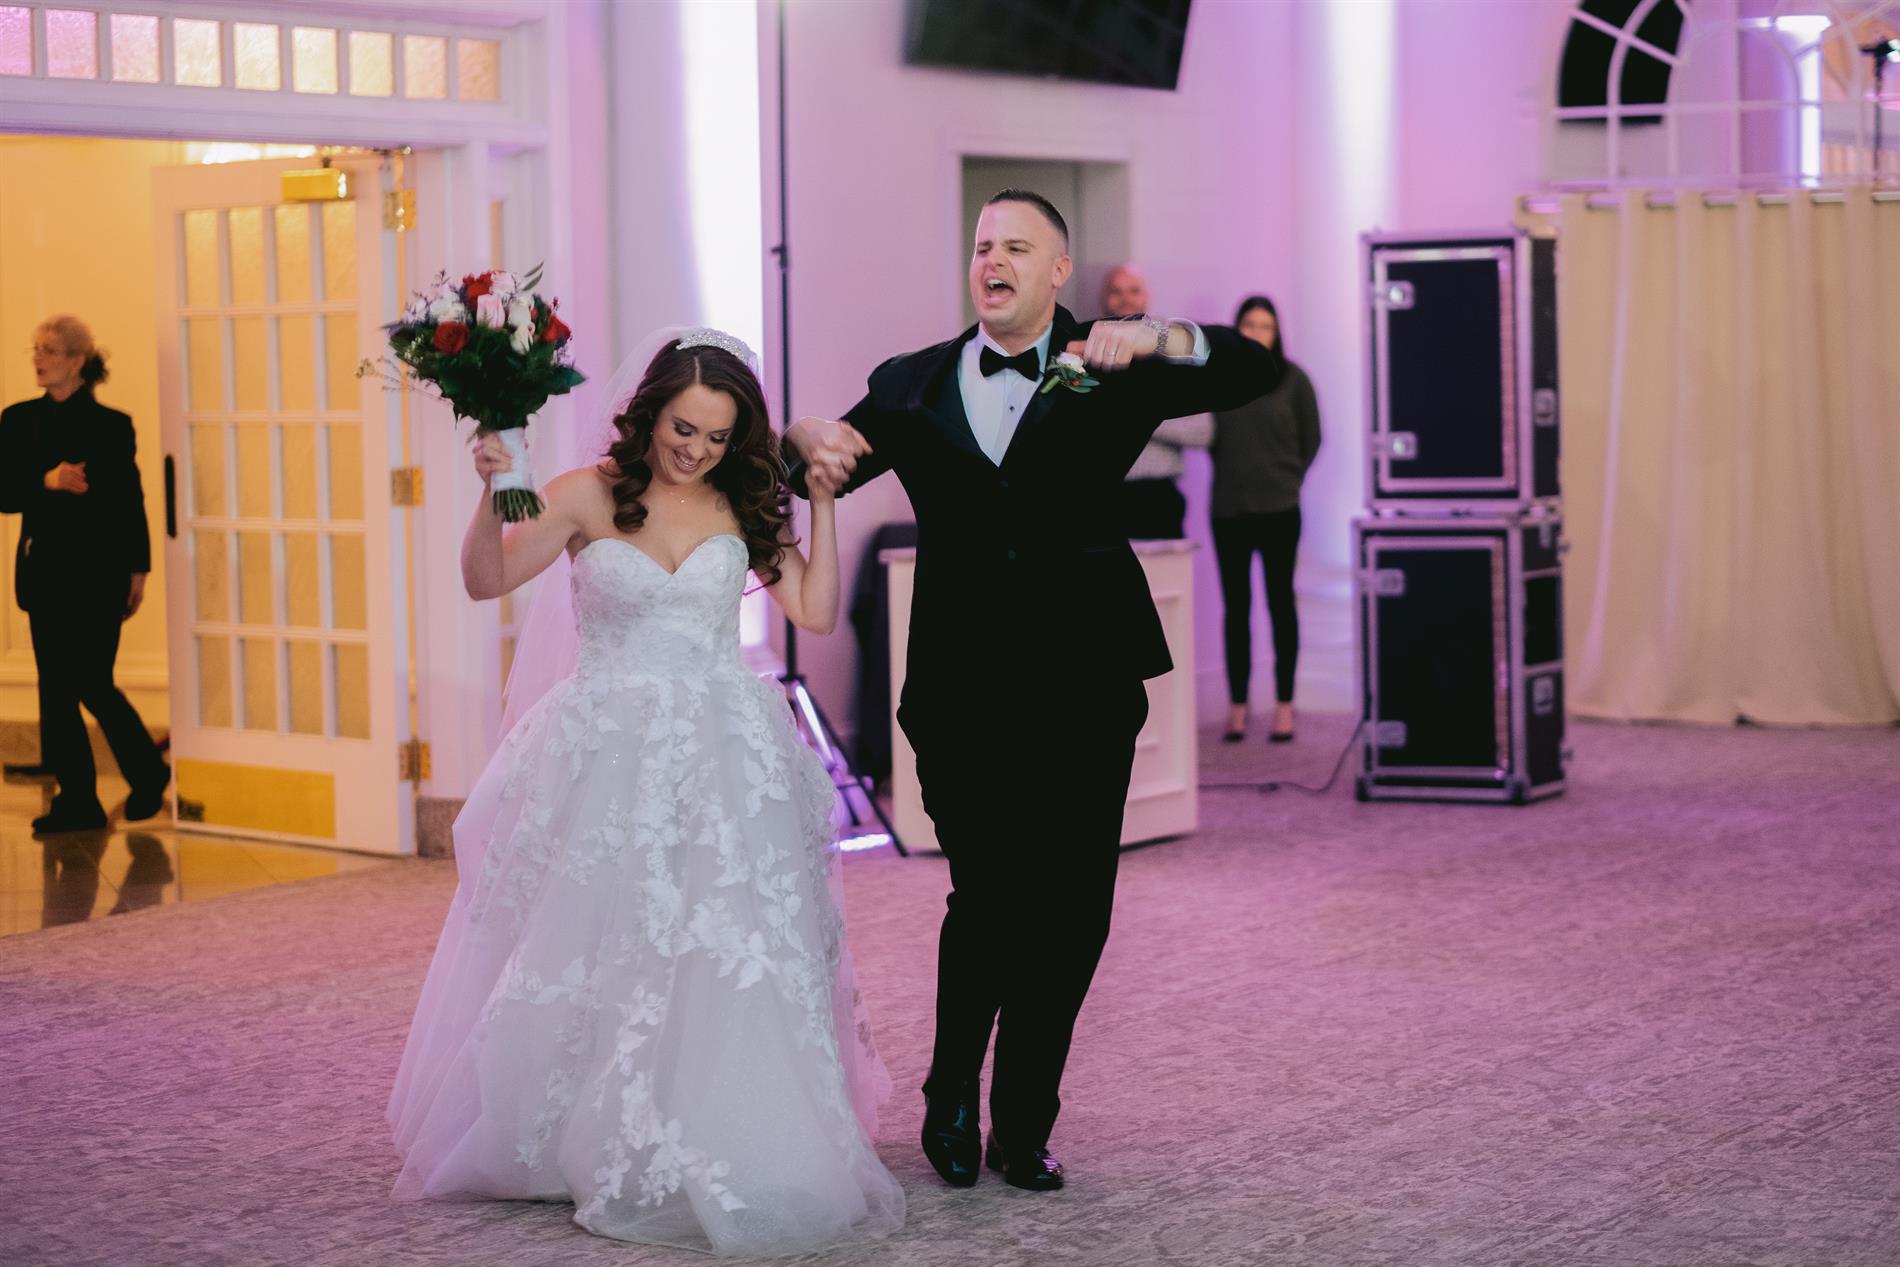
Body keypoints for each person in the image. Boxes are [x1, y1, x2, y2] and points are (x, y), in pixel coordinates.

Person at [784, 191, 1282, 1192]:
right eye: (982, 245)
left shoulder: (1114, 364)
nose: (993, 260)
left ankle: (1023, 1117)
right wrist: (805, 436)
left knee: (1074, 909)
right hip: (960, 687)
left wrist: (1156, 333)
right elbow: (816, 475)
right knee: (990, 896)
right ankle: (950, 1094)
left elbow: (1255, 367)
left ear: (1058, 271)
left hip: (1085, 678)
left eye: (1017, 246)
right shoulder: (911, 383)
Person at [387, 331, 904, 1256]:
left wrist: (822, 504)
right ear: (650, 411)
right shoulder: (585, 492)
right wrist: (488, 490)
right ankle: (576, 1128)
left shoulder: (742, 501)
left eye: (717, 436)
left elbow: (816, 611)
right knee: (603, 934)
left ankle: (718, 1127)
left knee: (720, 941)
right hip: (608, 749)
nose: (696, 450)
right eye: (682, 429)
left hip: (723, 751)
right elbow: (485, 578)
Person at [0, 316, 169, 834]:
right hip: (46, 573)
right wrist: (46, 480)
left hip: (100, 573)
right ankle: (81, 801)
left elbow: (129, 501)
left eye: (49, 350)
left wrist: (139, 568)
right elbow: (5, 492)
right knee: (57, 688)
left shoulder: (112, 425)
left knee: (91, 682)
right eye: (35, 349)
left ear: (77, 361)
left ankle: (142, 773)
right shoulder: (18, 419)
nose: (37, 358)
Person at [1210, 296, 1320, 744]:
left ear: (1277, 333)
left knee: (1280, 606)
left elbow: (1312, 439)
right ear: (1237, 329)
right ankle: (1238, 707)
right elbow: (1210, 437)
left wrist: (1288, 479)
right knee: (1236, 610)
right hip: (1229, 510)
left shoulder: (1294, 380)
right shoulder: (1218, 380)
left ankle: (1284, 706)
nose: (1257, 332)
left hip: (1279, 510)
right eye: (1249, 324)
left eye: (1265, 325)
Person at [1101, 264, 1211, 540]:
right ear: (1105, 298)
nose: (1125, 298)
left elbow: (1203, 431)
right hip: (1101, 498)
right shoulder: (1088, 349)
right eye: (1116, 291)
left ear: (1146, 297)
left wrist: (1136, 414)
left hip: (1158, 498)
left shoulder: (1172, 350)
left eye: (1133, 290)